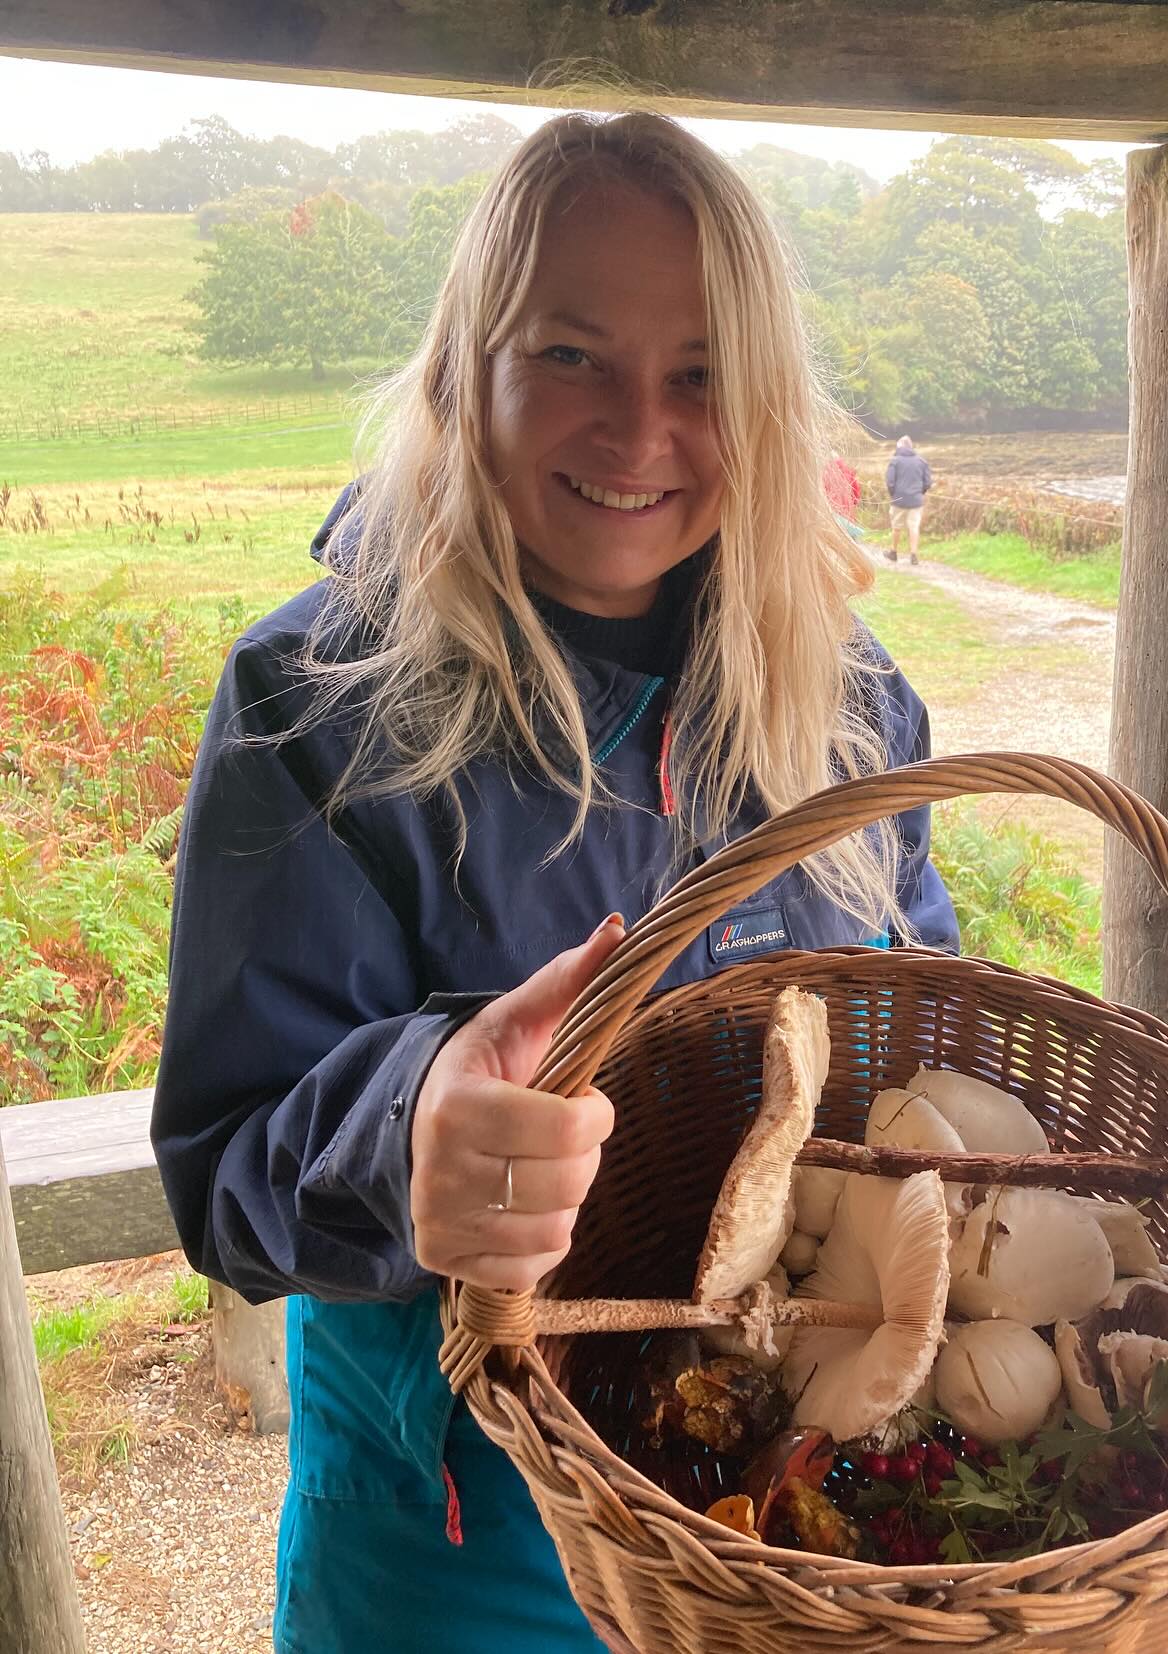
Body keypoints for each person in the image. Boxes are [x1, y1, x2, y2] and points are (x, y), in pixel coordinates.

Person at [151, 112, 958, 1654]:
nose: (641, 430)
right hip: (462, 1540)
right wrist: (413, 1126)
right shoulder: (314, 700)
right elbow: (226, 1172)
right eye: (573, 354)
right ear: (471, 371)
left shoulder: (849, 697)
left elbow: (908, 1025)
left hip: (790, 1518)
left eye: (703, 373)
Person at [885, 434, 933, 565]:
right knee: (914, 527)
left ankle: (893, 552)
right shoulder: (922, 462)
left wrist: (893, 494)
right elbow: (928, 482)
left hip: (899, 499)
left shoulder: (895, 461)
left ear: (899, 446)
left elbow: (890, 482)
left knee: (896, 527)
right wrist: (920, 493)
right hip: (916, 501)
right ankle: (913, 554)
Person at [822, 447, 864, 540]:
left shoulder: (824, 474)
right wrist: (853, 504)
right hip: (848, 513)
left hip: (833, 513)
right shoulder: (848, 472)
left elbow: (822, 493)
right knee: (850, 542)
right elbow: (856, 493)